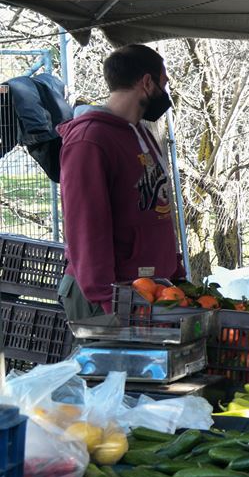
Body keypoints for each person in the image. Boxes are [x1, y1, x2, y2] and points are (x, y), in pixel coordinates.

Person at [56, 45, 183, 326]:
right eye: (164, 84)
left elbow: (155, 206)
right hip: (108, 298)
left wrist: (173, 269)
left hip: (146, 291)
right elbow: (85, 225)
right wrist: (106, 299)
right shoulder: (89, 140)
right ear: (147, 83)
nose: (166, 94)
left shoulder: (139, 131)